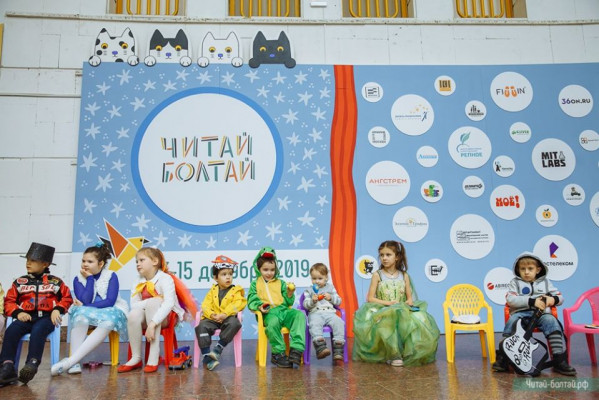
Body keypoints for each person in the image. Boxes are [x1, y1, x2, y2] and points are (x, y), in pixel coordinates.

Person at [353, 240, 439, 366]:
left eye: (388, 255)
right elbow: (370, 298)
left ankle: (410, 352)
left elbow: (409, 298)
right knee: (389, 318)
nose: (384, 258)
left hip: (401, 308)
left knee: (420, 317)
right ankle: (393, 354)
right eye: (382, 255)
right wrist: (388, 303)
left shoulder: (404, 275)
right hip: (382, 307)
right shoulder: (377, 275)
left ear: (397, 257)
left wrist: (407, 304)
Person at [0, 242, 73, 386]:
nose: (28, 263)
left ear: (45, 264)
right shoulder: (20, 282)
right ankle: (7, 366)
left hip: (46, 318)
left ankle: (31, 364)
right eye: (27, 260)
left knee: (38, 330)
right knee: (11, 331)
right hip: (26, 317)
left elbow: (67, 298)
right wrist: (17, 312)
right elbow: (9, 301)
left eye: (33, 260)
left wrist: (58, 309)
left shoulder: (56, 282)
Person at [492, 252, 576, 376]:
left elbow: (560, 298)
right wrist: (532, 301)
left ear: (538, 270)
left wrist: (552, 299)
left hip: (541, 315)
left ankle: (559, 359)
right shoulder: (515, 283)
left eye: (530, 269)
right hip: (520, 313)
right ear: (518, 270)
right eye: (522, 269)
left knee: (551, 321)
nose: (526, 272)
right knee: (512, 321)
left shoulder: (546, 283)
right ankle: (504, 358)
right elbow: (510, 299)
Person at [51, 242, 129, 376]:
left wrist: (85, 306)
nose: (85, 264)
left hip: (110, 311)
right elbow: (86, 300)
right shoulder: (78, 279)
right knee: (80, 315)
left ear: (101, 263)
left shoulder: (111, 275)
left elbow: (110, 302)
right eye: (83, 261)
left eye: (90, 261)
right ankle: (74, 363)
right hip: (87, 312)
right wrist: (90, 279)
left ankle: (70, 362)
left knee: (108, 321)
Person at [118, 247, 197, 373]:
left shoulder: (165, 278)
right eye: (136, 261)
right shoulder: (137, 281)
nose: (138, 264)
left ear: (155, 261)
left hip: (167, 318)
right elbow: (134, 305)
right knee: (133, 314)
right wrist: (151, 302)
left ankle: (153, 356)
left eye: (142, 260)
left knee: (155, 302)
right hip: (146, 316)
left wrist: (152, 323)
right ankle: (136, 357)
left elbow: (169, 304)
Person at [247, 247, 305, 368]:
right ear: (259, 269)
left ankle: (296, 350)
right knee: (273, 323)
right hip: (269, 313)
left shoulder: (281, 283)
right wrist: (260, 306)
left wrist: (289, 293)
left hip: (284, 310)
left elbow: (288, 301)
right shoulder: (255, 284)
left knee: (299, 315)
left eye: (272, 270)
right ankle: (278, 353)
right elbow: (252, 299)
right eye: (265, 270)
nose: (269, 273)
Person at [196, 255, 247, 371]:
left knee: (235, 323)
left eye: (230, 274)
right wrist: (212, 315)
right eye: (224, 274)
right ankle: (207, 356)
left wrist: (225, 314)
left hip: (227, 318)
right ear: (215, 277)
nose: (228, 277)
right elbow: (205, 305)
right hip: (213, 319)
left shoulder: (236, 290)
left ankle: (218, 348)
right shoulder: (212, 291)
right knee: (201, 326)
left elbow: (239, 304)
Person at [302, 263, 345, 361]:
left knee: (339, 322)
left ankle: (338, 349)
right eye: (314, 278)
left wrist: (331, 298)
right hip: (315, 313)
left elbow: (339, 301)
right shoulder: (309, 290)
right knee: (314, 324)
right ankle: (321, 347)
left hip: (330, 313)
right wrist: (312, 301)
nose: (317, 281)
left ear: (326, 278)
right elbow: (305, 305)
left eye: (320, 278)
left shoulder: (331, 288)